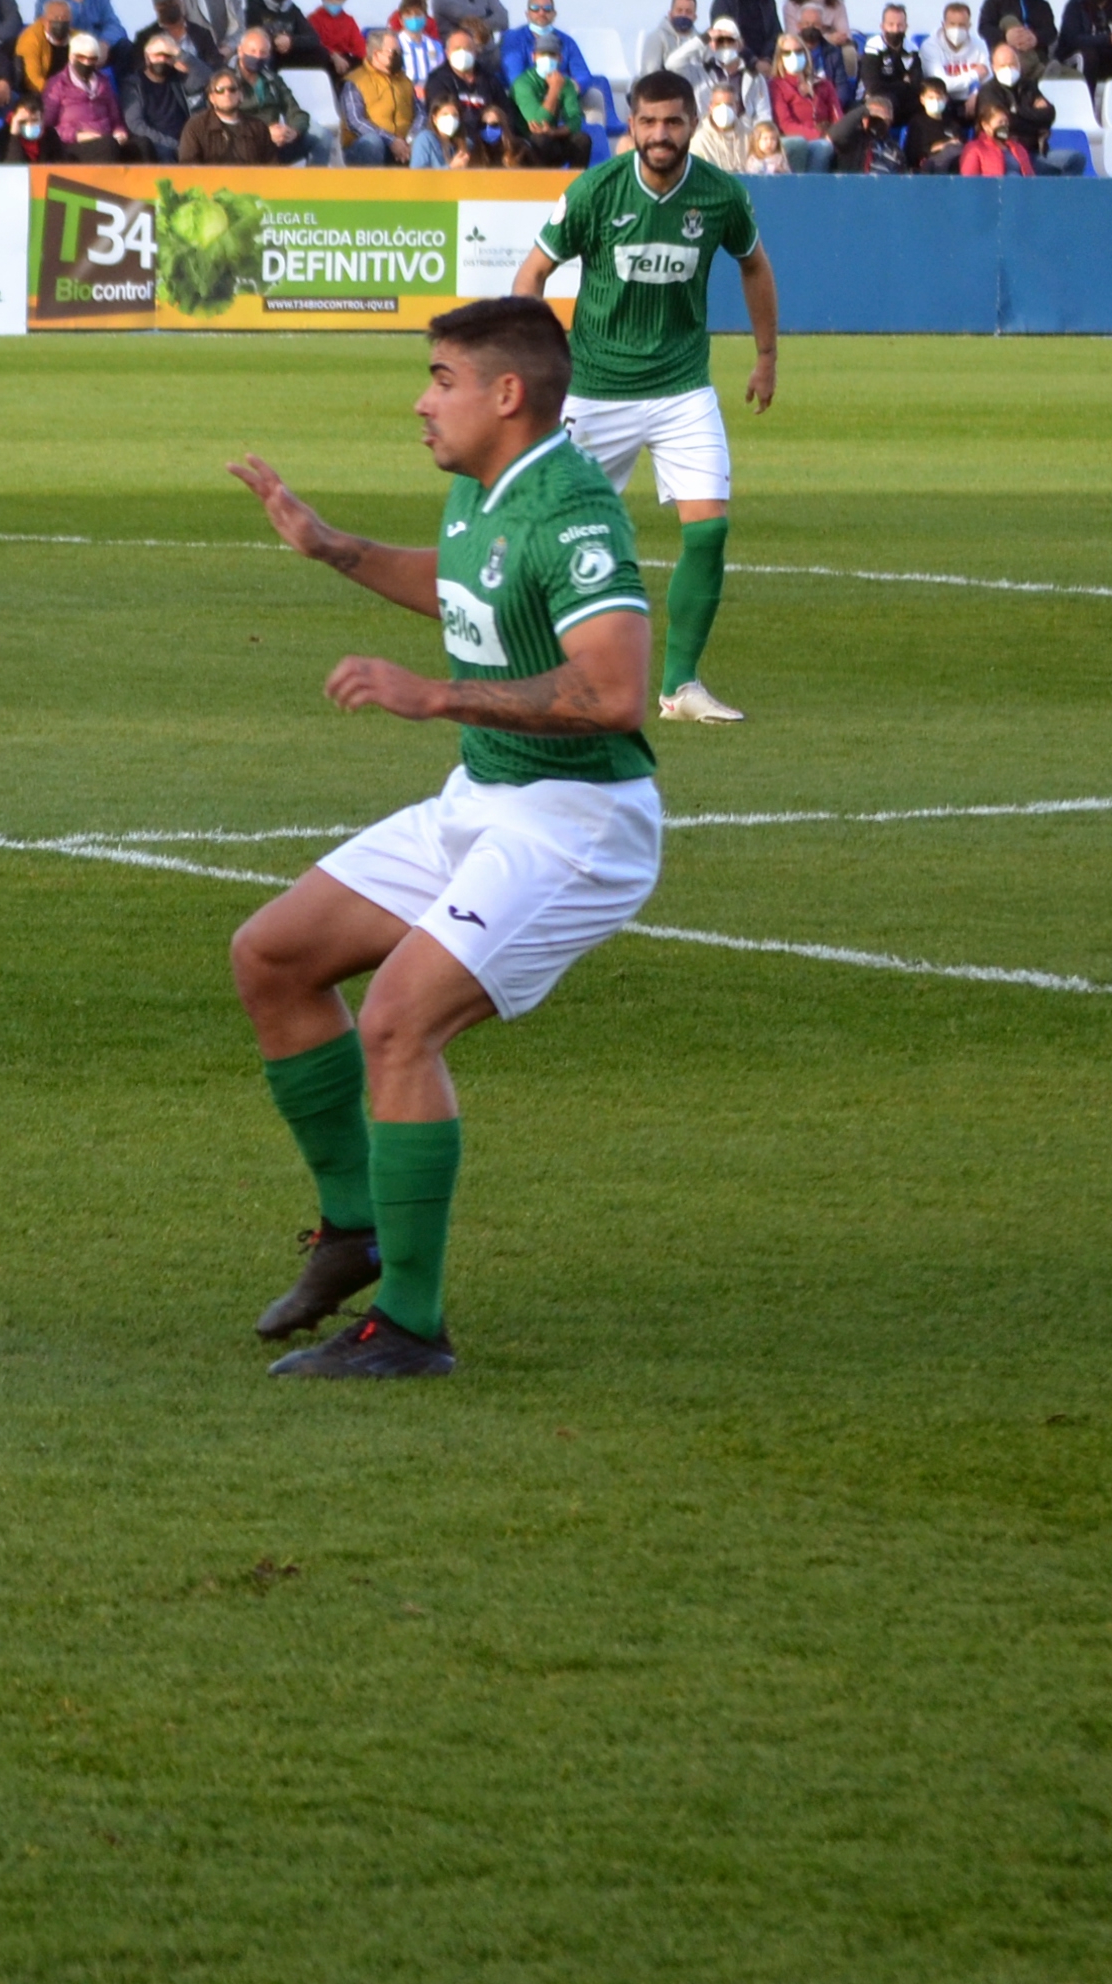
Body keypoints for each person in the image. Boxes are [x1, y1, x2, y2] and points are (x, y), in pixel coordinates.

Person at [217, 296, 663, 1381]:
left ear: (507, 395)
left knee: (398, 1020)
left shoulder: (575, 509)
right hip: (485, 796)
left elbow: (615, 693)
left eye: (441, 379)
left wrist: (437, 696)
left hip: (577, 826)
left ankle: (411, 1327)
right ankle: (355, 1231)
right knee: (272, 955)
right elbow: (467, 578)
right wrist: (336, 548)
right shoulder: (481, 485)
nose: (422, 402)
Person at [508, 76, 776, 725]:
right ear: (631, 124)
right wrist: (530, 358)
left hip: (683, 388)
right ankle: (530, 664)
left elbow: (754, 265)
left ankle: (680, 687)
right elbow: (533, 272)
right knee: (553, 536)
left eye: (673, 122)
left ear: (692, 125)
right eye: (649, 122)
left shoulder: (719, 194)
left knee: (709, 529)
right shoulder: (596, 191)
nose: (661, 134)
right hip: (596, 391)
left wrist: (767, 356)